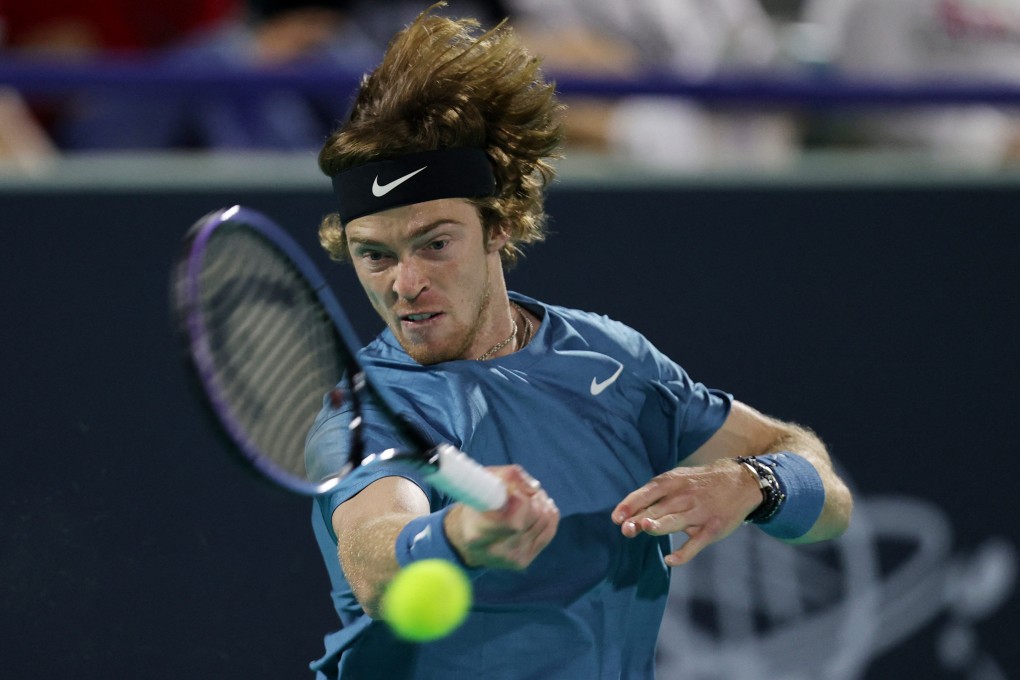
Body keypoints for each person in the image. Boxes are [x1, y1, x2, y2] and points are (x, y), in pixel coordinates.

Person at [304, 4, 853, 678]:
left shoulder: (610, 359)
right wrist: (457, 534)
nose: (405, 283)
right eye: (375, 256)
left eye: (435, 244)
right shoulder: (367, 409)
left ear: (499, 225)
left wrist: (755, 483)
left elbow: (828, 499)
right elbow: (372, 558)